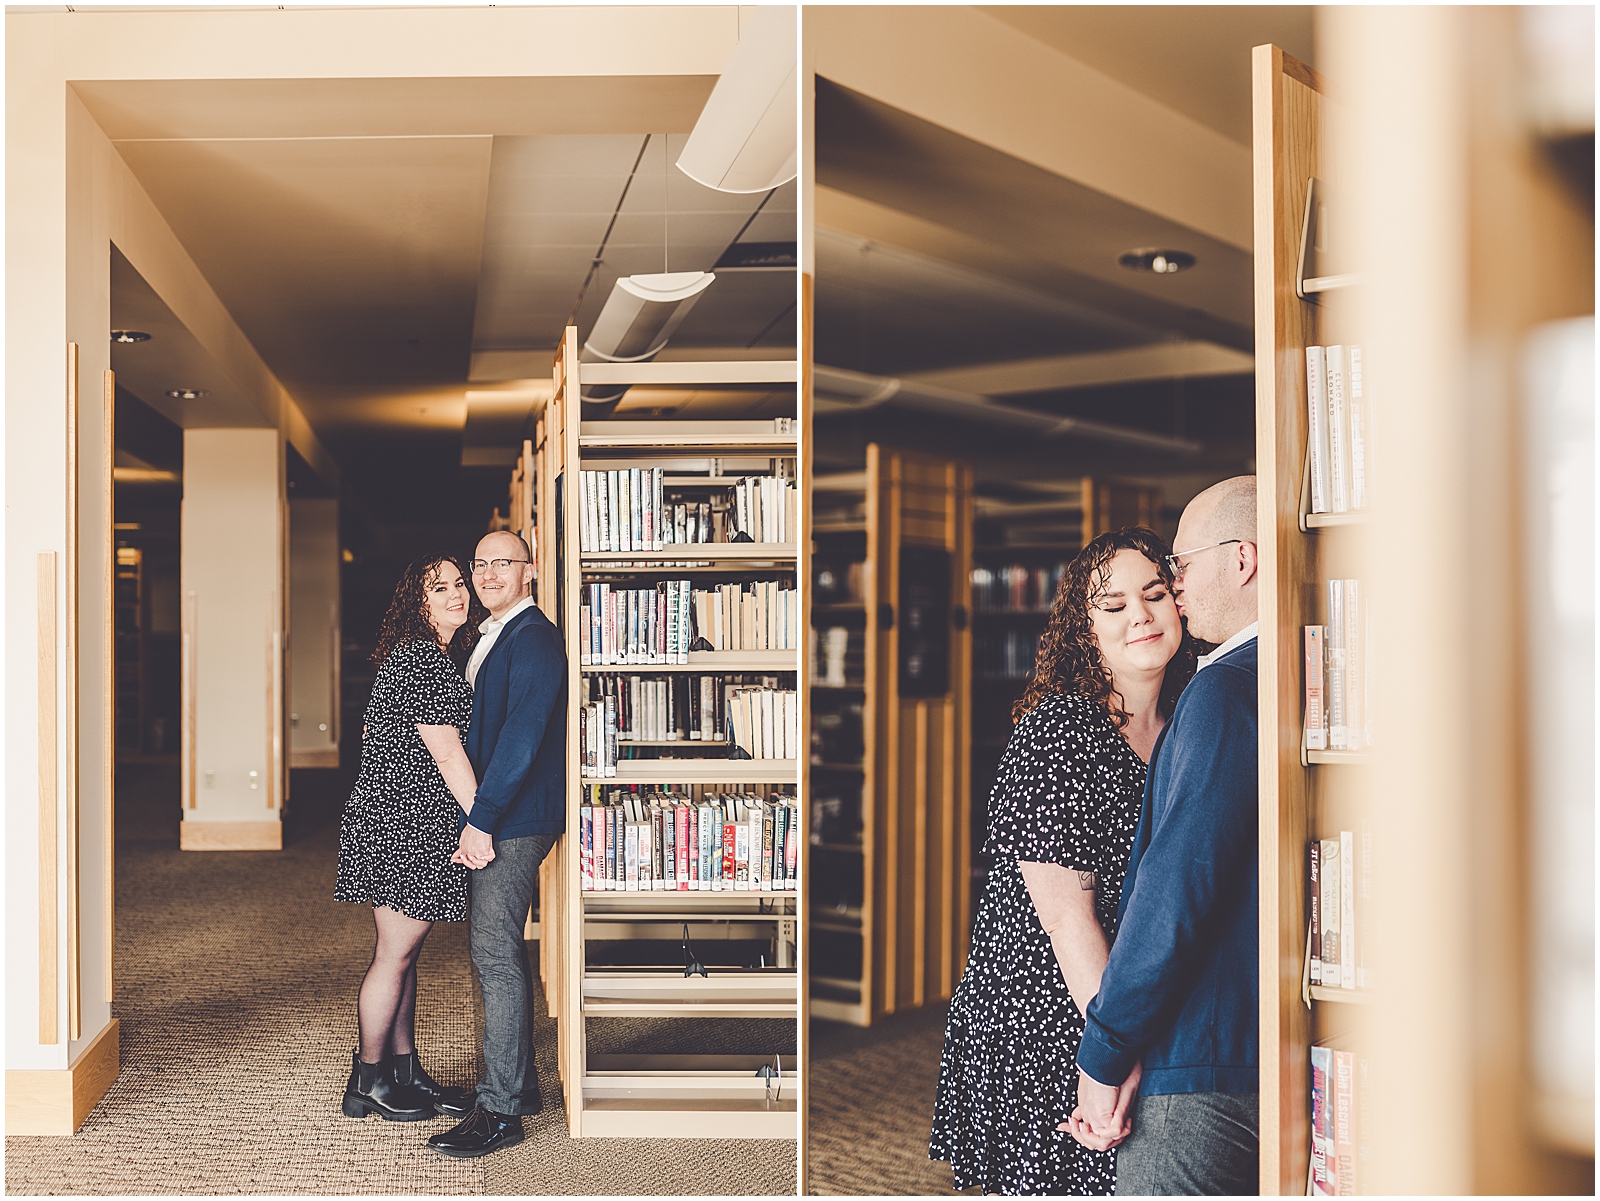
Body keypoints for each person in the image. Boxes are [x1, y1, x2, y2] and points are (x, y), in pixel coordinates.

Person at [930, 528, 1195, 1195]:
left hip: (1117, 994)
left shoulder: (1186, 724)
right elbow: (1066, 920)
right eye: (1113, 604)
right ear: (1086, 628)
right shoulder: (1059, 729)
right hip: (1046, 1007)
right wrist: (1114, 1050)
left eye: (1155, 593)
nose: (1140, 613)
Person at [1065, 476, 1261, 1196]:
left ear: (1242, 560)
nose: (1172, 590)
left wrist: (1106, 1050)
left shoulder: (1220, 691)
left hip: (1199, 1058)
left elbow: (1178, 888)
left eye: (1177, 568)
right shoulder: (1282, 675)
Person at [335, 554, 492, 1122]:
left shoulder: (428, 656)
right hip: (402, 824)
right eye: (440, 588)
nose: (457, 595)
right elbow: (446, 752)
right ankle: (368, 1080)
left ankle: (404, 1072)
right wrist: (483, 818)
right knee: (393, 955)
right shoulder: (423, 660)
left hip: (402, 818)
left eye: (459, 584)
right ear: (417, 602)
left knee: (405, 955)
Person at [428, 530, 567, 1159]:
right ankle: (520, 1087)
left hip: (514, 818)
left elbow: (519, 742)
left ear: (529, 571)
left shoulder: (534, 638)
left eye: (501, 564)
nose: (486, 574)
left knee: (493, 953)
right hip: (499, 812)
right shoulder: (493, 633)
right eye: (479, 565)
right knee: (494, 949)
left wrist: (480, 821)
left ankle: (503, 1109)